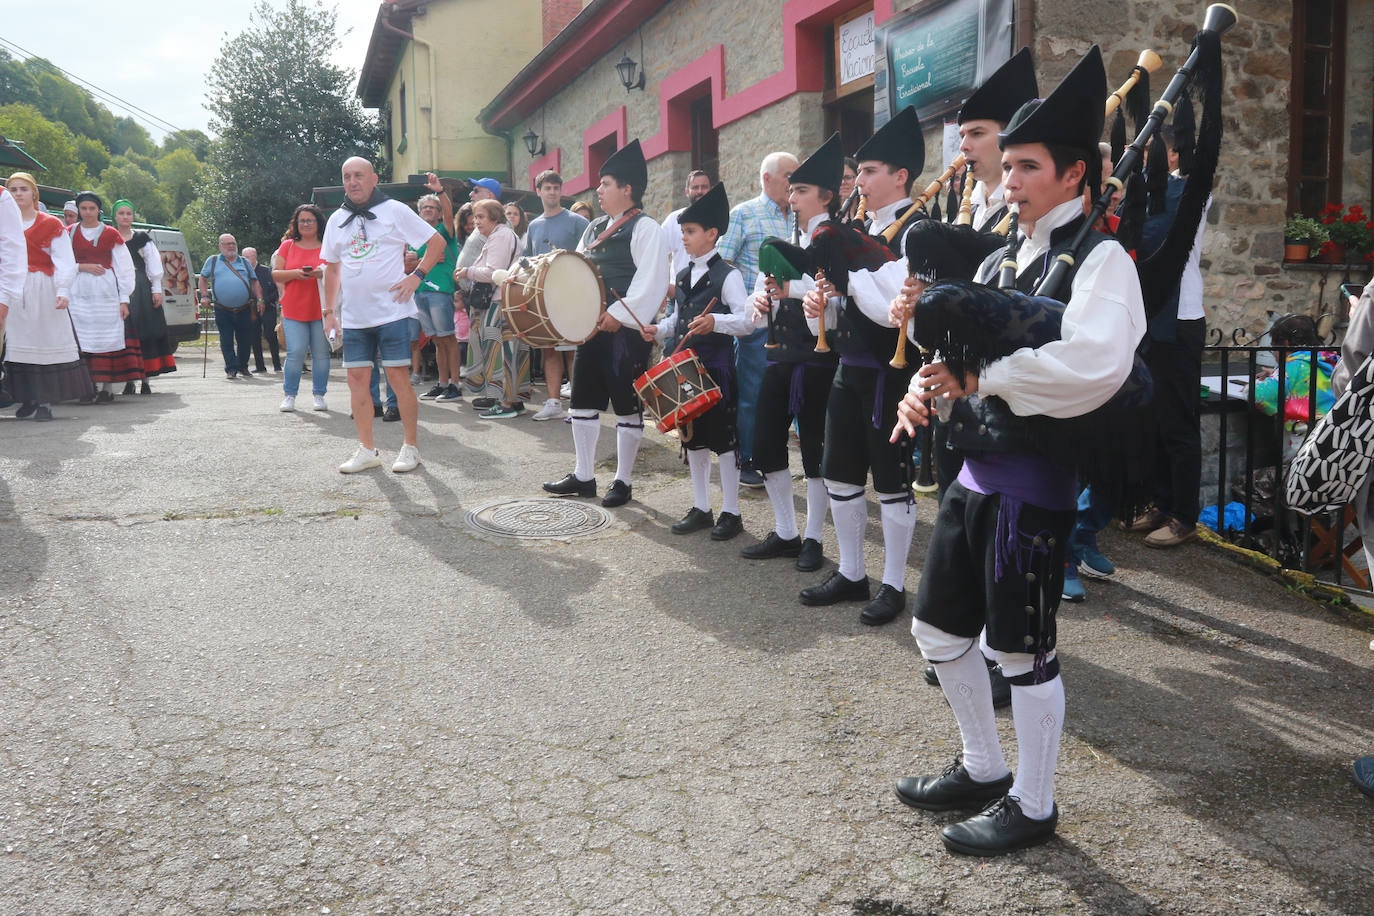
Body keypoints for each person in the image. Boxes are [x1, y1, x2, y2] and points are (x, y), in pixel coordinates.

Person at [891, 47, 1145, 856]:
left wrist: (985, 374)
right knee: (937, 633)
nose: (1009, 180)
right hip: (968, 478)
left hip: (1032, 486)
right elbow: (957, 360)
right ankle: (983, 766)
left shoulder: (1102, 263)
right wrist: (925, 386)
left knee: (1021, 652)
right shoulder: (1003, 256)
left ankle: (1035, 804)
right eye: (1009, 166)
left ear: (1074, 176)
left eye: (1027, 166)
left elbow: (1097, 367)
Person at [799, 107, 924, 626]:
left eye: (870, 171)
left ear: (900, 176)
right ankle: (853, 572)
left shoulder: (917, 231)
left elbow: (893, 302)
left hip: (893, 375)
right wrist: (818, 307)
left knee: (891, 482)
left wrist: (848, 282)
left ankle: (893, 584)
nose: (860, 181)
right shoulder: (852, 229)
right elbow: (841, 302)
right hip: (848, 371)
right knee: (841, 475)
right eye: (860, 171)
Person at [542, 139, 670, 508]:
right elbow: (579, 271)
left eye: (606, 184)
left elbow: (652, 280)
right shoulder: (595, 225)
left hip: (626, 332)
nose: (598, 190)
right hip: (592, 327)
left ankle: (623, 481)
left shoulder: (647, 228)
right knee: (582, 399)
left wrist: (618, 314)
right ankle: (584, 476)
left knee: (626, 405)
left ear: (627, 188)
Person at [742, 133, 843, 572]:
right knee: (766, 442)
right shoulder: (787, 232)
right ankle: (786, 531)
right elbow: (756, 292)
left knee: (815, 453)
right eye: (791, 189)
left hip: (819, 362)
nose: (792, 196)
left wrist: (791, 290)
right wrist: (759, 302)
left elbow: (835, 295)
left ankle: (814, 539)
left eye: (800, 190)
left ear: (825, 196)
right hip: (780, 355)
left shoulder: (837, 238)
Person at [321, 156, 445, 474]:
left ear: (374, 178)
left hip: (391, 312)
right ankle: (367, 449)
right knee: (356, 382)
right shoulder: (336, 219)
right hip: (354, 317)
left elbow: (437, 243)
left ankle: (410, 447)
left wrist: (416, 276)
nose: (353, 181)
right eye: (347, 176)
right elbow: (331, 269)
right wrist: (328, 312)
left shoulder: (395, 210)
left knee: (398, 379)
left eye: (359, 175)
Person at [1121, 124, 1212, 551]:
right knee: (1154, 419)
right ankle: (1160, 501)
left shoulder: (1188, 192)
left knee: (1178, 422)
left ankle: (1184, 515)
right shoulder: (1144, 194)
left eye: (1143, 149)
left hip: (1180, 319)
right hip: (1150, 318)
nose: (1134, 155)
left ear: (1171, 155)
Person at [646, 182, 753, 539]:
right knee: (693, 440)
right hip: (686, 369)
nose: (685, 238)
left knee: (724, 443)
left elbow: (746, 321)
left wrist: (715, 322)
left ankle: (732, 512)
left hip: (717, 369)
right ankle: (702, 507)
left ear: (712, 234)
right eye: (683, 232)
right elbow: (677, 319)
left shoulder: (729, 275)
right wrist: (657, 331)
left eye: (690, 232)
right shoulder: (681, 275)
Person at [719, 150, 798, 489]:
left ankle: (774, 457)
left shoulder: (798, 214)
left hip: (796, 321)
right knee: (753, 393)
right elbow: (721, 264)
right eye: (788, 178)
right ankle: (748, 458)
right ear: (767, 179)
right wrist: (747, 298)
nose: (793, 185)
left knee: (786, 394)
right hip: (758, 322)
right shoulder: (744, 214)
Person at [2, 173, 91, 419]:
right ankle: (26, 398)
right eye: (12, 190)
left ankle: (44, 401)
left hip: (42, 289)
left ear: (34, 194)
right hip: (12, 290)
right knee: (17, 347)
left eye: (22, 189)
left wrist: (63, 290)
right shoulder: (4, 223)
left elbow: (65, 260)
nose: (17, 194)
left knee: (44, 342)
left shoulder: (50, 223)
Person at [524, 169, 590, 421]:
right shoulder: (534, 225)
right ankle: (553, 402)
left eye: (556, 188)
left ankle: (578, 404)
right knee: (549, 349)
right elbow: (528, 261)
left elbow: (590, 256)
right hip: (545, 297)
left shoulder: (577, 221)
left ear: (561, 191)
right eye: (547, 188)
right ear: (538, 192)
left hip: (573, 294)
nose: (552, 192)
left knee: (573, 349)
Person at [67, 191, 139, 402]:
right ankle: (86, 387)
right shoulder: (68, 232)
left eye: (92, 208)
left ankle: (107, 387)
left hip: (105, 292)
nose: (88, 213)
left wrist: (124, 298)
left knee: (107, 338)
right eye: (83, 208)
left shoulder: (110, 234)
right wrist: (82, 266)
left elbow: (124, 268)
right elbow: (59, 262)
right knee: (81, 338)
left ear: (99, 210)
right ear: (78, 210)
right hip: (77, 291)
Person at [456, 199, 525, 418]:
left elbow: (493, 272)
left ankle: (505, 404)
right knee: (508, 352)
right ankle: (513, 401)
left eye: (481, 216)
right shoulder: (502, 235)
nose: (476, 222)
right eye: (475, 217)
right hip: (504, 301)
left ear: (495, 217)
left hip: (497, 303)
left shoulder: (500, 236)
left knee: (499, 353)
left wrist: (467, 272)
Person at [110, 199, 175, 394]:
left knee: (143, 332)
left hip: (140, 288)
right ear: (115, 216)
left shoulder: (141, 238)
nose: (125, 217)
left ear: (132, 216)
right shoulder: (110, 237)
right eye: (121, 213)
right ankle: (129, 380)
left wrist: (156, 289)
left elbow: (153, 264)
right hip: (116, 287)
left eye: (128, 214)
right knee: (123, 334)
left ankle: (145, 380)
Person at [273, 204, 330, 412]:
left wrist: (320, 273)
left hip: (322, 308)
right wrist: (296, 273)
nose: (306, 224)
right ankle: (289, 395)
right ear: (296, 224)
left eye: (310, 220)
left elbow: (336, 272)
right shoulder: (288, 245)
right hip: (294, 307)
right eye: (302, 220)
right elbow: (276, 273)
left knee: (321, 354)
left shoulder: (327, 245)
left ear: (318, 223)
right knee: (295, 352)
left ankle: (319, 394)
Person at [411, 174, 463, 404]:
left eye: (433, 207)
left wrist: (440, 192)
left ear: (439, 212)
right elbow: (408, 263)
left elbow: (451, 215)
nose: (429, 210)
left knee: (448, 338)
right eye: (425, 207)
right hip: (419, 290)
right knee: (437, 341)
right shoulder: (414, 236)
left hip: (440, 290)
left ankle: (455, 385)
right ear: (419, 211)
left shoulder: (444, 230)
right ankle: (442, 383)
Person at [198, 233, 261, 380]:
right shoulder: (212, 261)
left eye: (233, 243)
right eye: (227, 244)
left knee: (245, 340)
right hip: (222, 308)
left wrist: (260, 299)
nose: (231, 246)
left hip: (244, 308)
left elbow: (254, 281)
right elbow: (202, 278)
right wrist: (204, 296)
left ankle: (243, 366)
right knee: (226, 339)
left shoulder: (244, 262)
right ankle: (231, 368)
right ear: (220, 246)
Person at [662, 169, 713, 286]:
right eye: (695, 187)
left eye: (704, 187)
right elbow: (657, 254)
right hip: (678, 294)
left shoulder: (718, 219)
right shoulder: (673, 220)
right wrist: (665, 287)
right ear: (687, 191)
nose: (700, 191)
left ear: (710, 190)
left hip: (710, 291)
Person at [243, 247, 281, 375]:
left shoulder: (267, 271)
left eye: (249, 257)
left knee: (270, 335)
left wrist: (265, 301)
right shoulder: (242, 272)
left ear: (255, 257)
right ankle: (260, 366)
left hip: (268, 308)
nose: (247, 260)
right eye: (244, 257)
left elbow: (277, 290)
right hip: (250, 309)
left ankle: (277, 365)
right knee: (254, 337)